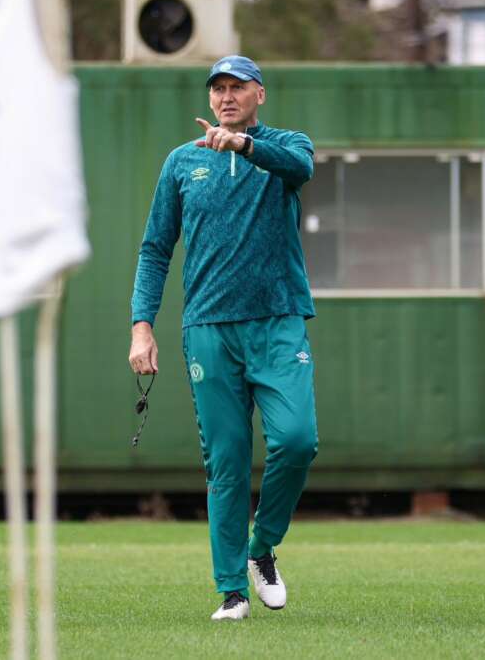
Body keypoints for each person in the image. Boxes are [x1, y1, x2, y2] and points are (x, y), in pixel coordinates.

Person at [129, 55, 319, 620]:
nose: (226, 96)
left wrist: (244, 147)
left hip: (278, 321)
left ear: (260, 93)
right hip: (209, 330)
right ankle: (232, 592)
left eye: (237, 87)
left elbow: (300, 168)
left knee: (297, 441)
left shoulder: (286, 145)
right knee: (227, 462)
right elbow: (155, 248)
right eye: (218, 88)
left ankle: (263, 547)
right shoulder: (182, 162)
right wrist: (142, 325)